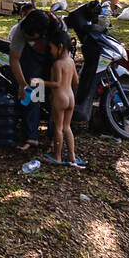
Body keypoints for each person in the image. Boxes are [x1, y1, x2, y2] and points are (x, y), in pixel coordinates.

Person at [11, 8, 67, 150]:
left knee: (55, 96)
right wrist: (22, 84)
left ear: (43, 34)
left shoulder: (59, 28)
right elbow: (15, 58)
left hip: (54, 60)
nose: (28, 38)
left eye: (32, 37)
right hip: (32, 59)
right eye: (27, 36)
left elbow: (65, 59)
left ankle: (54, 138)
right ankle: (32, 137)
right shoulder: (22, 28)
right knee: (33, 93)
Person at [44, 31, 82, 167]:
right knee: (67, 127)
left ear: (60, 47)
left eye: (51, 48)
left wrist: (40, 82)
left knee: (58, 128)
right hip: (70, 97)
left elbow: (57, 84)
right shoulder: (71, 62)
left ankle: (58, 156)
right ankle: (72, 156)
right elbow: (76, 81)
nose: (50, 52)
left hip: (60, 97)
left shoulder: (57, 64)